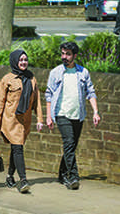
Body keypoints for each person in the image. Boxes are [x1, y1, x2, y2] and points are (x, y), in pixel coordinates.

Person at [43, 40, 102, 190]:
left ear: (74, 55)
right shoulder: (55, 72)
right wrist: (48, 116)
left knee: (71, 147)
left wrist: (95, 112)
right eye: (62, 53)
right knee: (68, 143)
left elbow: (91, 92)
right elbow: (48, 95)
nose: (64, 57)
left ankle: (62, 174)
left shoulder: (83, 72)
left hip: (78, 115)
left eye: (68, 54)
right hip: (61, 114)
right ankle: (73, 177)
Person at [0, 50, 35, 191]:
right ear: (14, 61)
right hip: (10, 120)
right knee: (18, 148)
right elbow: (0, 102)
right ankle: (23, 180)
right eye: (20, 60)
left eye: (25, 59)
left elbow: (37, 102)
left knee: (16, 149)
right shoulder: (7, 79)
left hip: (24, 121)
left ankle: (10, 176)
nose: (23, 62)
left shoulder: (32, 79)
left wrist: (40, 119)